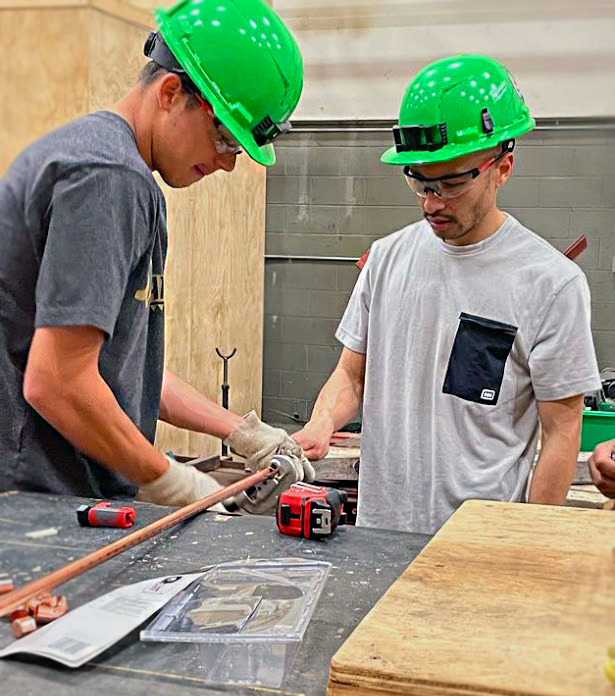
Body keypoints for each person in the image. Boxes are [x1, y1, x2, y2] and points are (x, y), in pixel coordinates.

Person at [0, 0, 313, 509]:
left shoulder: (116, 169)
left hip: (61, 499)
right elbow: (57, 381)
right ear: (171, 93)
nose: (228, 165)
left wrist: (243, 432)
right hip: (41, 505)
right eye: (225, 140)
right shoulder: (108, 176)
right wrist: (170, 480)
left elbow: (121, 367)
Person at [294, 54, 601, 534]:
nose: (431, 202)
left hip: (478, 545)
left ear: (503, 167)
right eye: (419, 180)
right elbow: (351, 378)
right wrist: (321, 423)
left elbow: (562, 432)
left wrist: (530, 541)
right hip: (380, 535)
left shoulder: (551, 283)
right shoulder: (387, 258)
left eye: (452, 183)